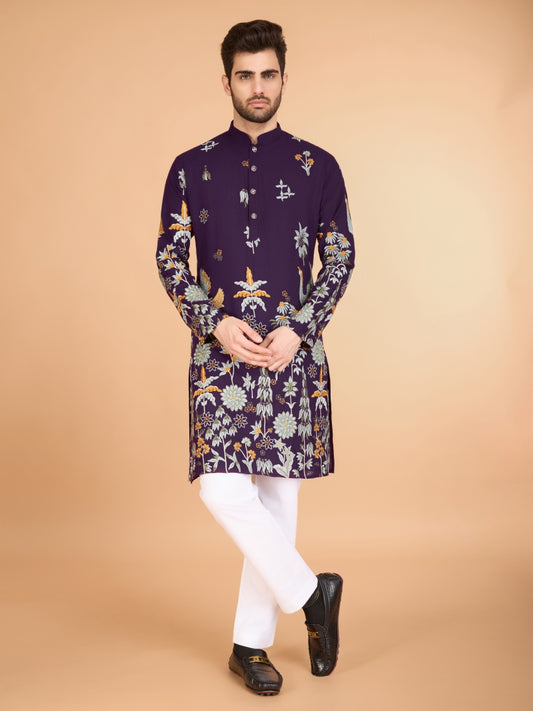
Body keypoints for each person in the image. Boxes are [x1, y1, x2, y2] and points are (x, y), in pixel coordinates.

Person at [156, 19, 355, 696]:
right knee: (222, 488)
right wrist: (212, 322)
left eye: (268, 74)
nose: (258, 86)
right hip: (220, 357)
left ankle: (250, 644)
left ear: (283, 78)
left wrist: (300, 327)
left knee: (276, 503)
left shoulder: (318, 166)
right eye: (246, 75)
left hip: (290, 356)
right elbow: (169, 257)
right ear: (227, 82)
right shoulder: (190, 167)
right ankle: (312, 593)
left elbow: (340, 256)